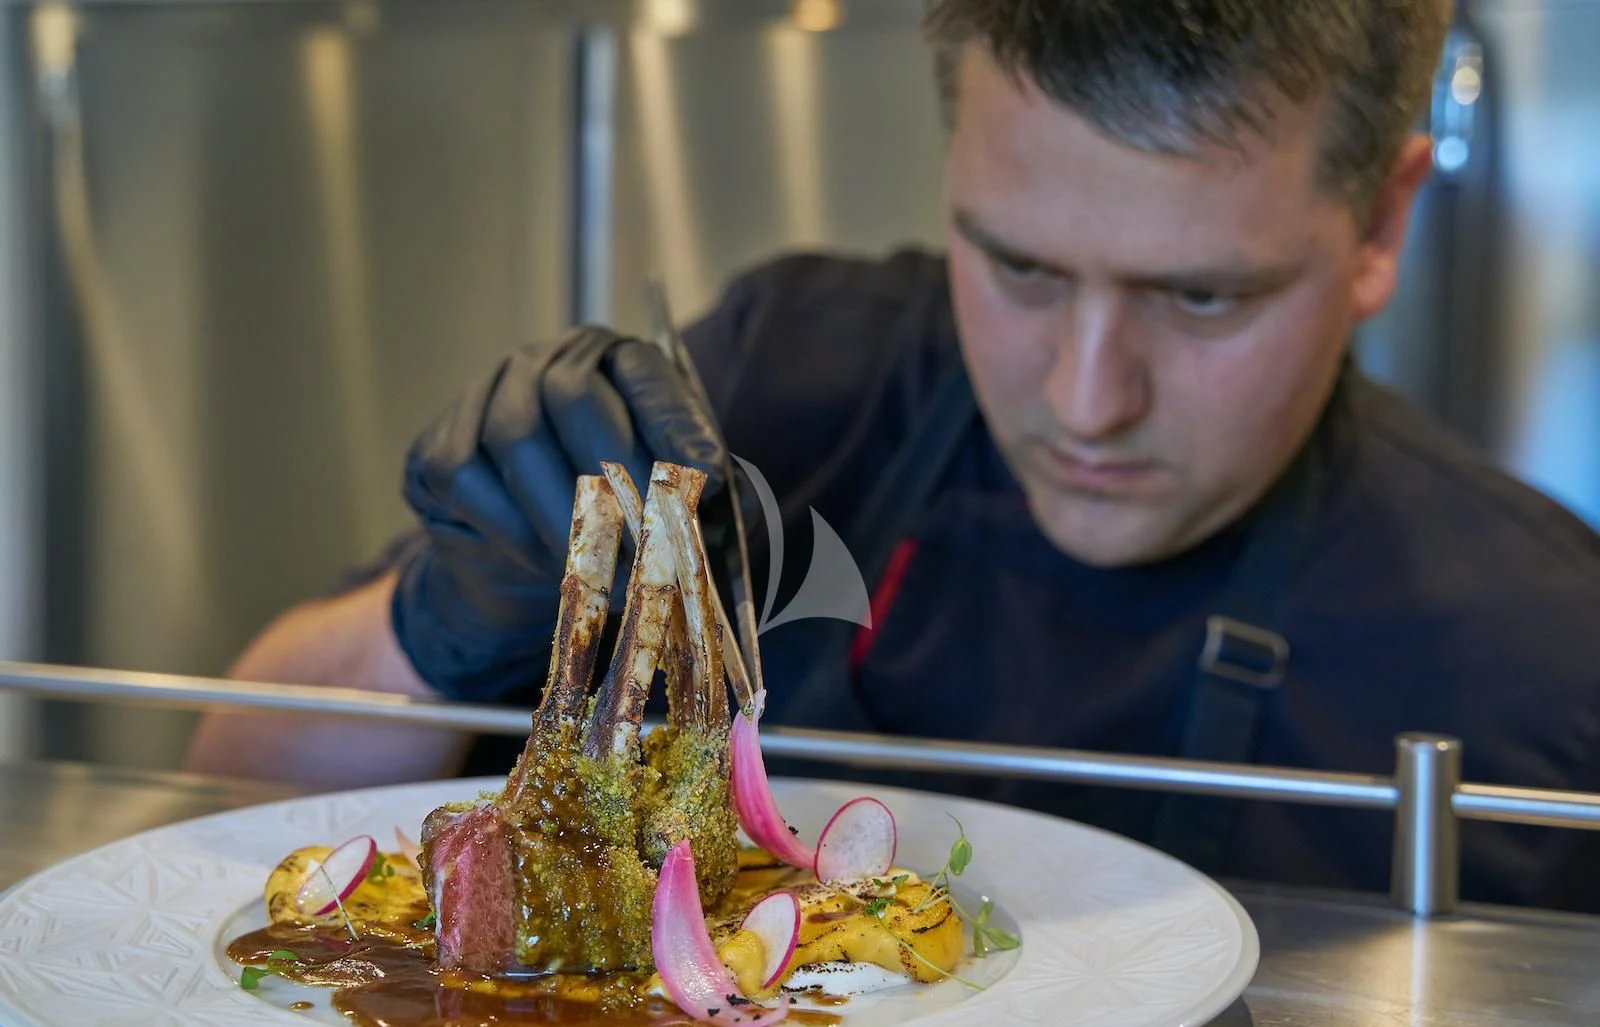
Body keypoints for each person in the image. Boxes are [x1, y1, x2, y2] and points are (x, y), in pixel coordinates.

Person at [186, 0, 1600, 911]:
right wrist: (429, 626)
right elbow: (226, 780)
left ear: (1380, 227)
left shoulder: (1539, 654)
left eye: (1202, 295)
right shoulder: (778, 382)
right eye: (1021, 266)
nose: (1088, 396)